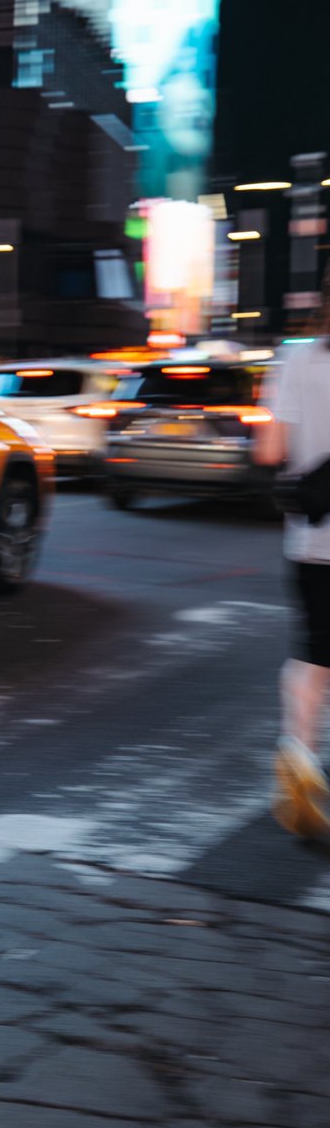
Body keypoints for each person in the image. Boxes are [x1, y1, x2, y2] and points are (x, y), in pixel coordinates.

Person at [255, 277, 330, 840]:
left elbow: (271, 450)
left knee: (312, 653)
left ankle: (299, 754)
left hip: (313, 539)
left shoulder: (297, 358)